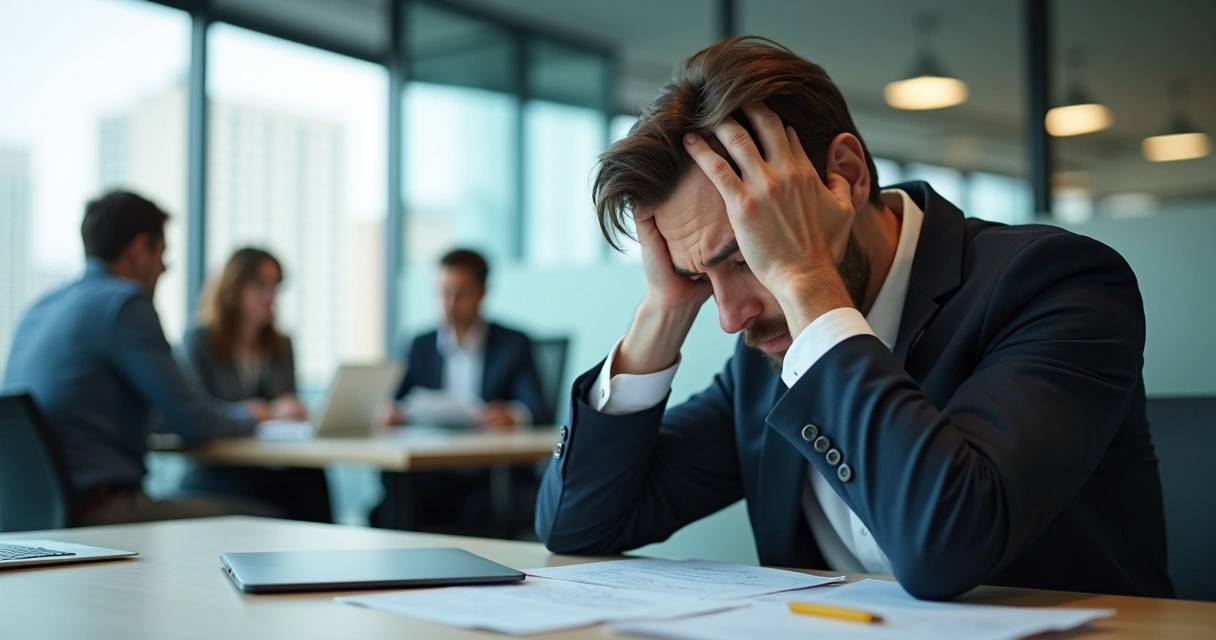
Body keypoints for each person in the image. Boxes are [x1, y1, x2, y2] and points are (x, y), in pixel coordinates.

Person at [534, 37, 1174, 601]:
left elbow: (946, 545)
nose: (731, 317)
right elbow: (579, 525)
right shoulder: (766, 348)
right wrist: (663, 310)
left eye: (749, 253)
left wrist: (804, 280)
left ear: (845, 175)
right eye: (704, 278)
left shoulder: (1055, 283)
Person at [2, 190, 279, 525]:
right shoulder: (125, 304)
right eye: (162, 254)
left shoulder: (39, 307)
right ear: (138, 249)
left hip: (26, 517)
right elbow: (194, 422)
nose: (164, 268)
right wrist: (254, 414)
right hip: (99, 514)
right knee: (270, 516)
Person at [373, 248, 547, 532]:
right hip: (429, 472)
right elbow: (397, 400)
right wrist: (389, 411)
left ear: (482, 293)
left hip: (487, 476)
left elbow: (537, 408)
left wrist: (513, 415)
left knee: (479, 512)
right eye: (443, 293)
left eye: (460, 293)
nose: (449, 304)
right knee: (394, 499)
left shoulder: (512, 343)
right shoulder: (421, 343)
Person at [176, 248, 332, 523]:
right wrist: (266, 412)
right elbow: (197, 413)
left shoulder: (280, 344)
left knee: (311, 476)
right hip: (219, 469)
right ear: (234, 286)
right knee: (300, 492)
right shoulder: (200, 339)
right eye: (260, 284)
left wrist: (293, 411)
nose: (270, 296)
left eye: (275, 286)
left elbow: (286, 408)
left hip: (267, 465)